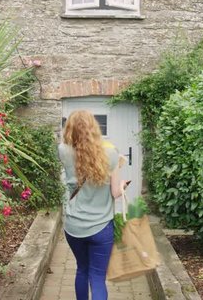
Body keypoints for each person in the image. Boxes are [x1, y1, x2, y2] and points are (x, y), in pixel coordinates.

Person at [58, 110, 128, 300]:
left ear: (70, 128)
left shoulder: (63, 150)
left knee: (82, 269)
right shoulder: (111, 154)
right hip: (101, 227)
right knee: (97, 277)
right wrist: (122, 185)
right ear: (94, 128)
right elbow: (115, 193)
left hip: (74, 227)